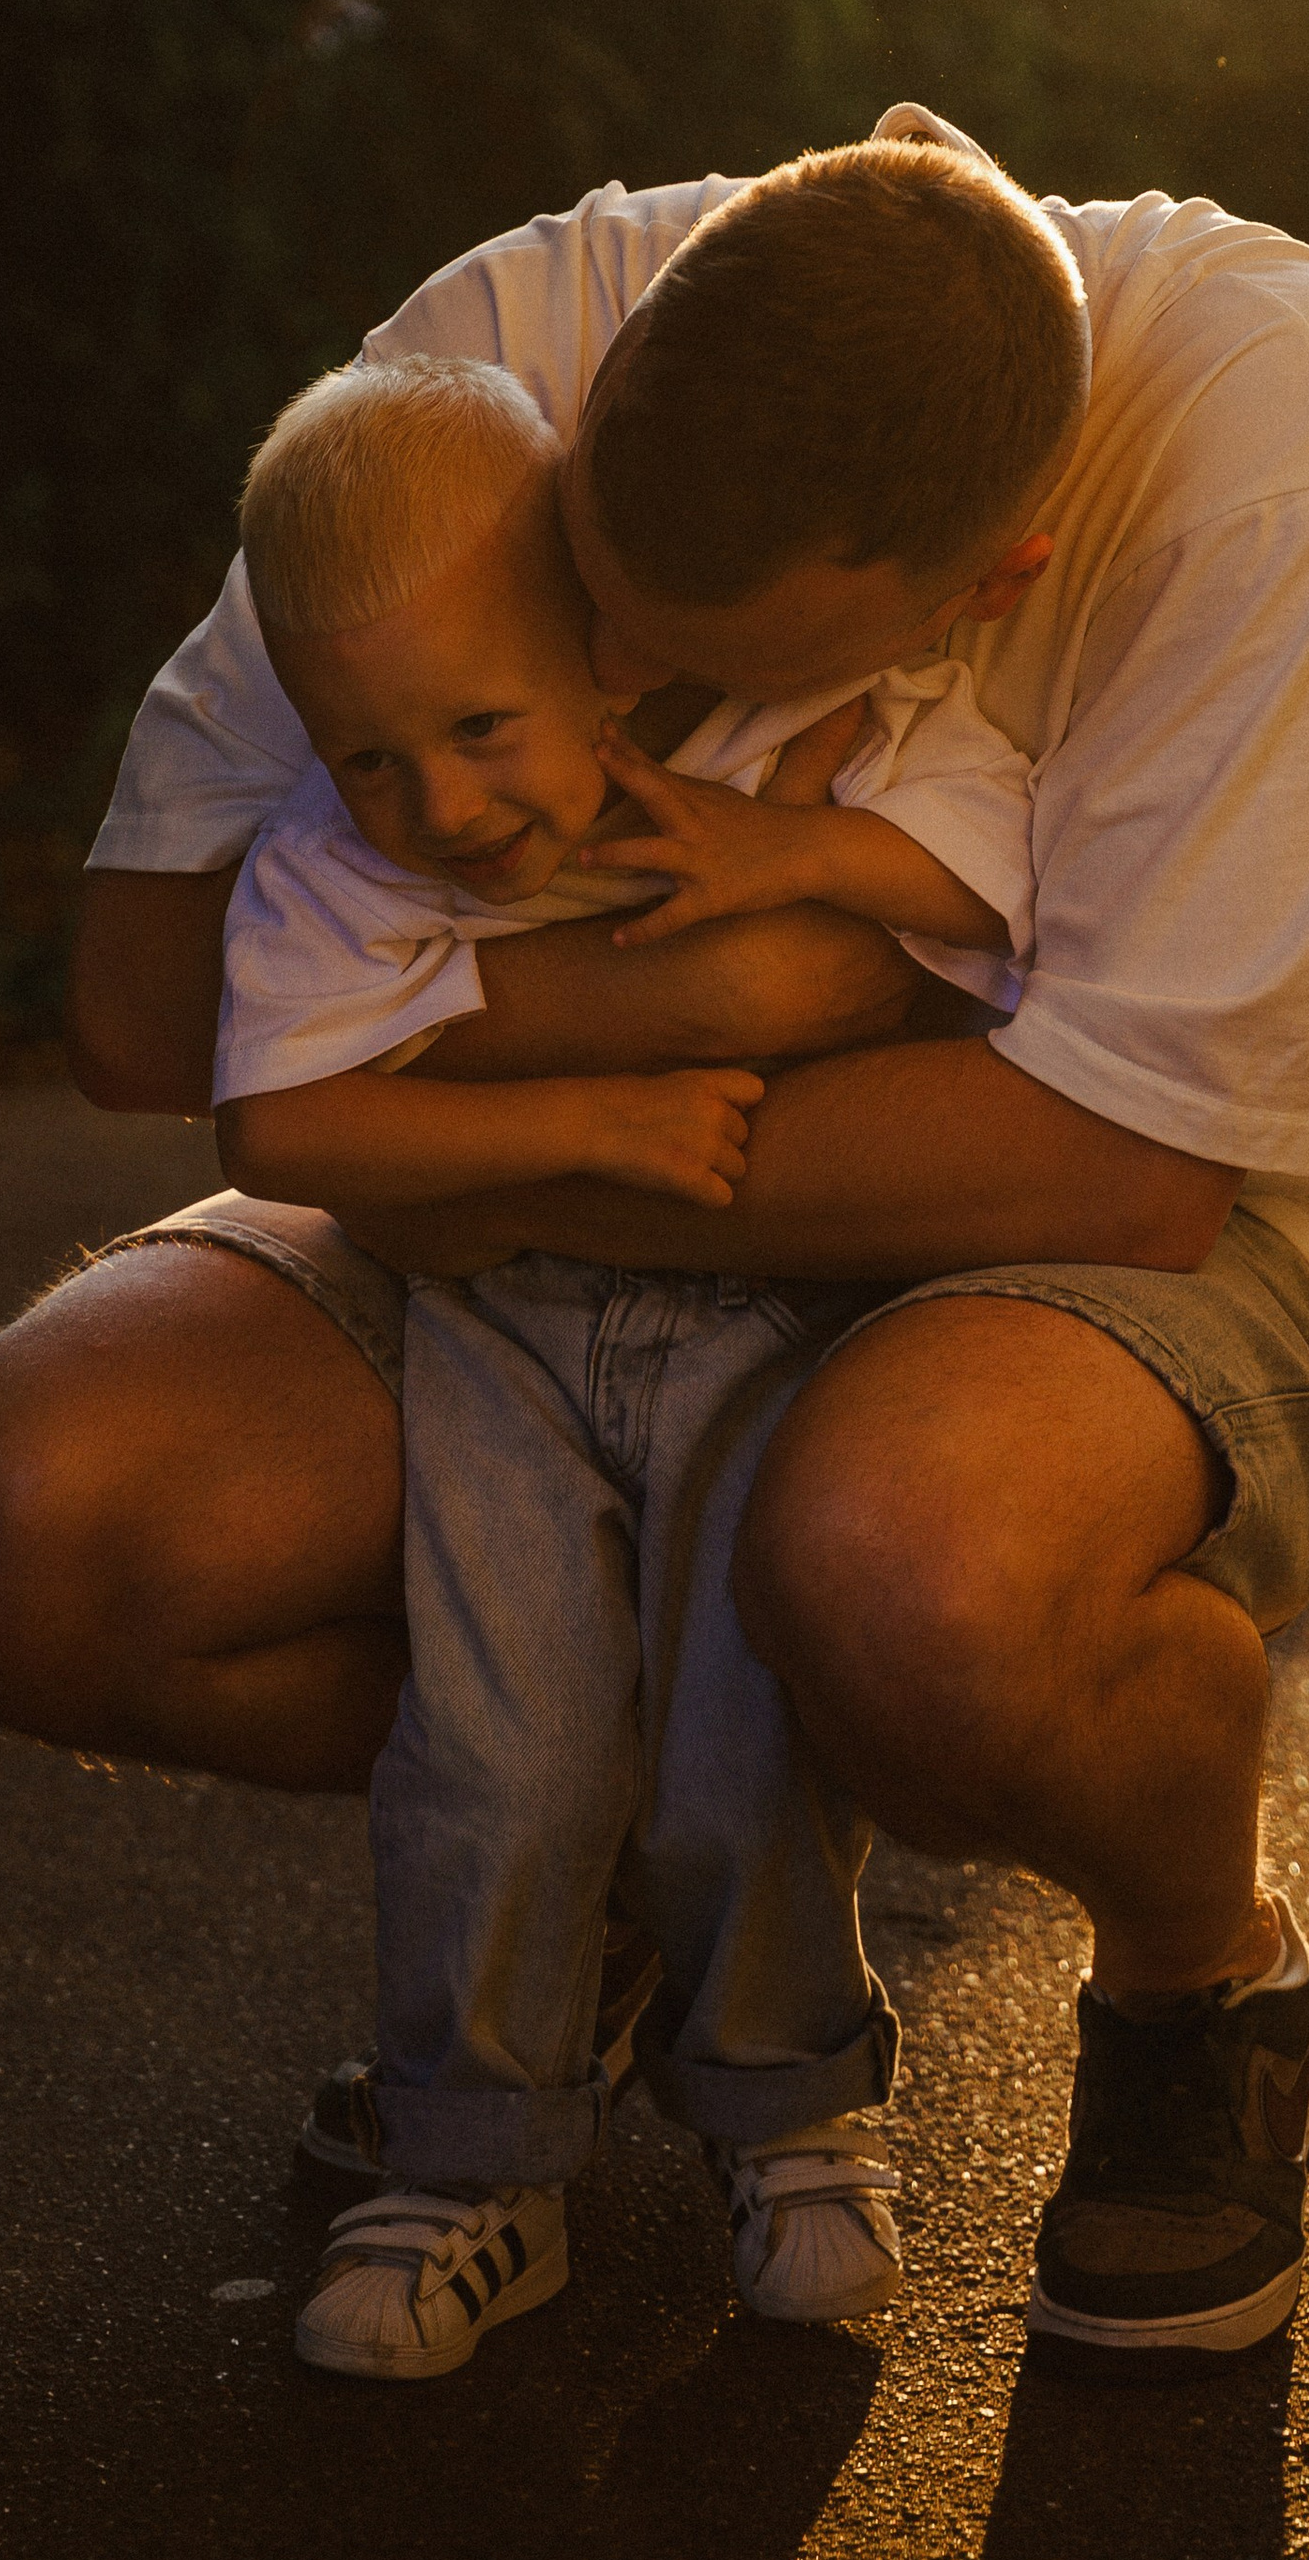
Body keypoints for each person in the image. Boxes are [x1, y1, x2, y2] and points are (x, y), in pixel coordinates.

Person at [0, 113, 1309, 2371]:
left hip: (1157, 1228)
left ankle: (1192, 1975)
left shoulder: (1282, 447)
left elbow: (1120, 1168)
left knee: (909, 1574)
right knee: (35, 1531)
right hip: (547, 1188)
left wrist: (486, 1139)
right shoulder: (494, 356)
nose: (594, 734)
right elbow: (139, 1005)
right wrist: (685, 1002)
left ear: (982, 583)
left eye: (683, 671)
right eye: (581, 617)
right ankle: (616, 1860)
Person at [213, 350, 1036, 2374]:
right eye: (372, 755)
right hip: (493, 1333)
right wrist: (570, 1126)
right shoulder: (331, 865)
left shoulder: (788, 739)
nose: (442, 805)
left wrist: (799, 860)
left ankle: (791, 2114)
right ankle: (470, 2155)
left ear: (598, 644)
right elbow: (279, 1132)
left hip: (765, 1324)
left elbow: (993, 878)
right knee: (494, 1739)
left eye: (478, 728)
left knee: (738, 1736)